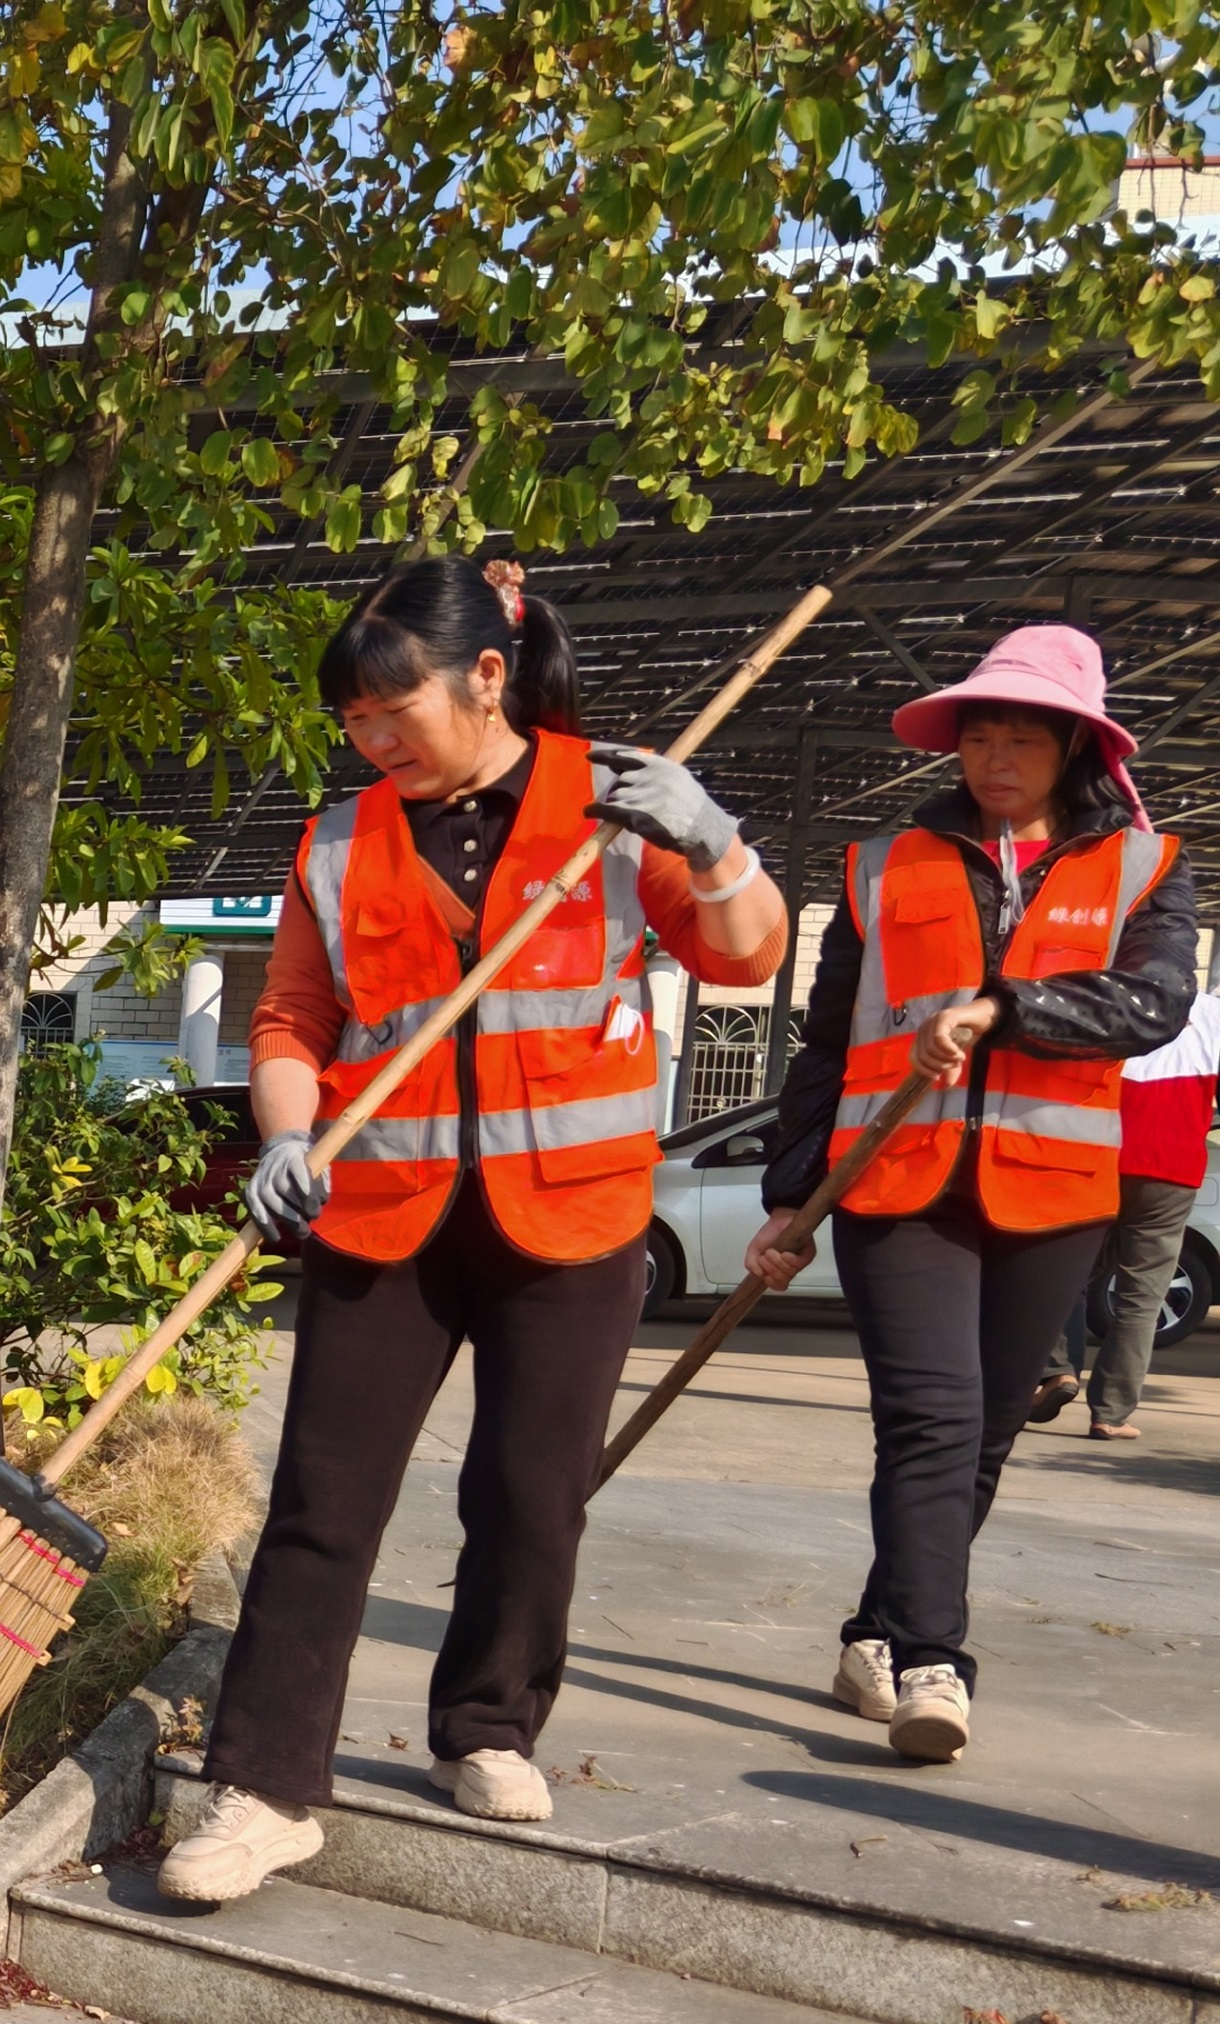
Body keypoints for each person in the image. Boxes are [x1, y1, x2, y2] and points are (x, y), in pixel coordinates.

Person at [163, 559, 789, 1905]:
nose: (373, 739)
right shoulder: (339, 842)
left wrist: (716, 841)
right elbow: (292, 1021)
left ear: (487, 677)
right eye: (355, 722)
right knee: (322, 1506)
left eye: (395, 711)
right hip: (382, 1212)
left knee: (527, 1495)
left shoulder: (616, 813)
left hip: (571, 1220)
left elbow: (747, 958)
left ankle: (488, 1727)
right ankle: (267, 1786)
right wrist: (285, 1132)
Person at [745, 626, 1197, 1760]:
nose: (996, 755)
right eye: (979, 734)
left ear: (1075, 749)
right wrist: (791, 1197)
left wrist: (1008, 1009)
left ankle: (874, 1632)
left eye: (1023, 737)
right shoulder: (880, 866)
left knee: (986, 1431)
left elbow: (1153, 1007)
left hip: (1054, 1194)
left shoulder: (1146, 867)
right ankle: (935, 1663)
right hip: (897, 1187)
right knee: (932, 1418)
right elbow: (829, 1043)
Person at [1036, 987, 1220, 1437]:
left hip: (1094, 1156)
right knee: (1142, 1297)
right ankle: (1111, 1414)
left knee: (1064, 1274)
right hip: (1169, 1170)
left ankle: (1055, 1371)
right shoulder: (1214, 1017)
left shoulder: (1102, 997)